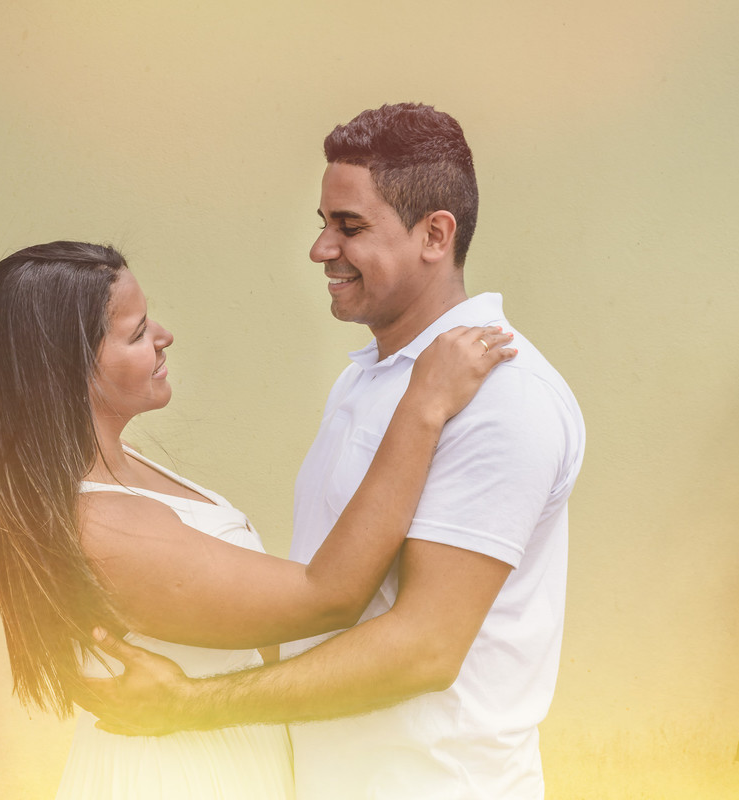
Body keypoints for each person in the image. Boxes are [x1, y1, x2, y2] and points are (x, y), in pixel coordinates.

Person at [79, 103, 587, 799]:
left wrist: (190, 706)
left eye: (349, 227)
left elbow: (425, 649)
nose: (322, 248)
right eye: (324, 223)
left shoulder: (503, 397)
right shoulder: (369, 379)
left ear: (435, 234)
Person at [0, 240, 513, 799]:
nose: (163, 335)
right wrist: (424, 405)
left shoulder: (121, 471)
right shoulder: (105, 527)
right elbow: (329, 595)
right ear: (61, 372)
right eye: (135, 333)